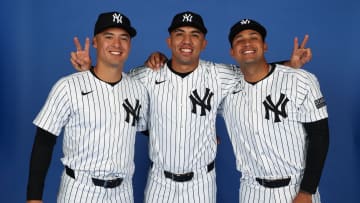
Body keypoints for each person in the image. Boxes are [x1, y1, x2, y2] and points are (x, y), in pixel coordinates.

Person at [70, 11, 311, 203]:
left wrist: (289, 64)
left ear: (204, 43)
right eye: (180, 34)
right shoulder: (145, 75)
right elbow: (112, 93)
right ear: (169, 41)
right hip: (159, 183)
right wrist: (89, 72)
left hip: (201, 183)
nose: (187, 40)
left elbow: (255, 71)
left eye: (194, 34)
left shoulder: (220, 75)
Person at [26, 11, 148, 203]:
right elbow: (44, 142)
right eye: (109, 37)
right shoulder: (67, 87)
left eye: (123, 38)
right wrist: (34, 198)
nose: (117, 44)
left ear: (130, 44)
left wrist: (201, 131)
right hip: (80, 191)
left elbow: (151, 130)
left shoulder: (138, 89)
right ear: (95, 42)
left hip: (123, 193)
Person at [220, 19, 329, 203]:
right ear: (232, 51)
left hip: (295, 189)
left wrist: (306, 191)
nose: (247, 43)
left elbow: (320, 136)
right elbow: (191, 99)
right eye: (239, 39)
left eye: (254, 37)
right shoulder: (224, 88)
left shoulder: (302, 80)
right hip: (250, 191)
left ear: (265, 46)